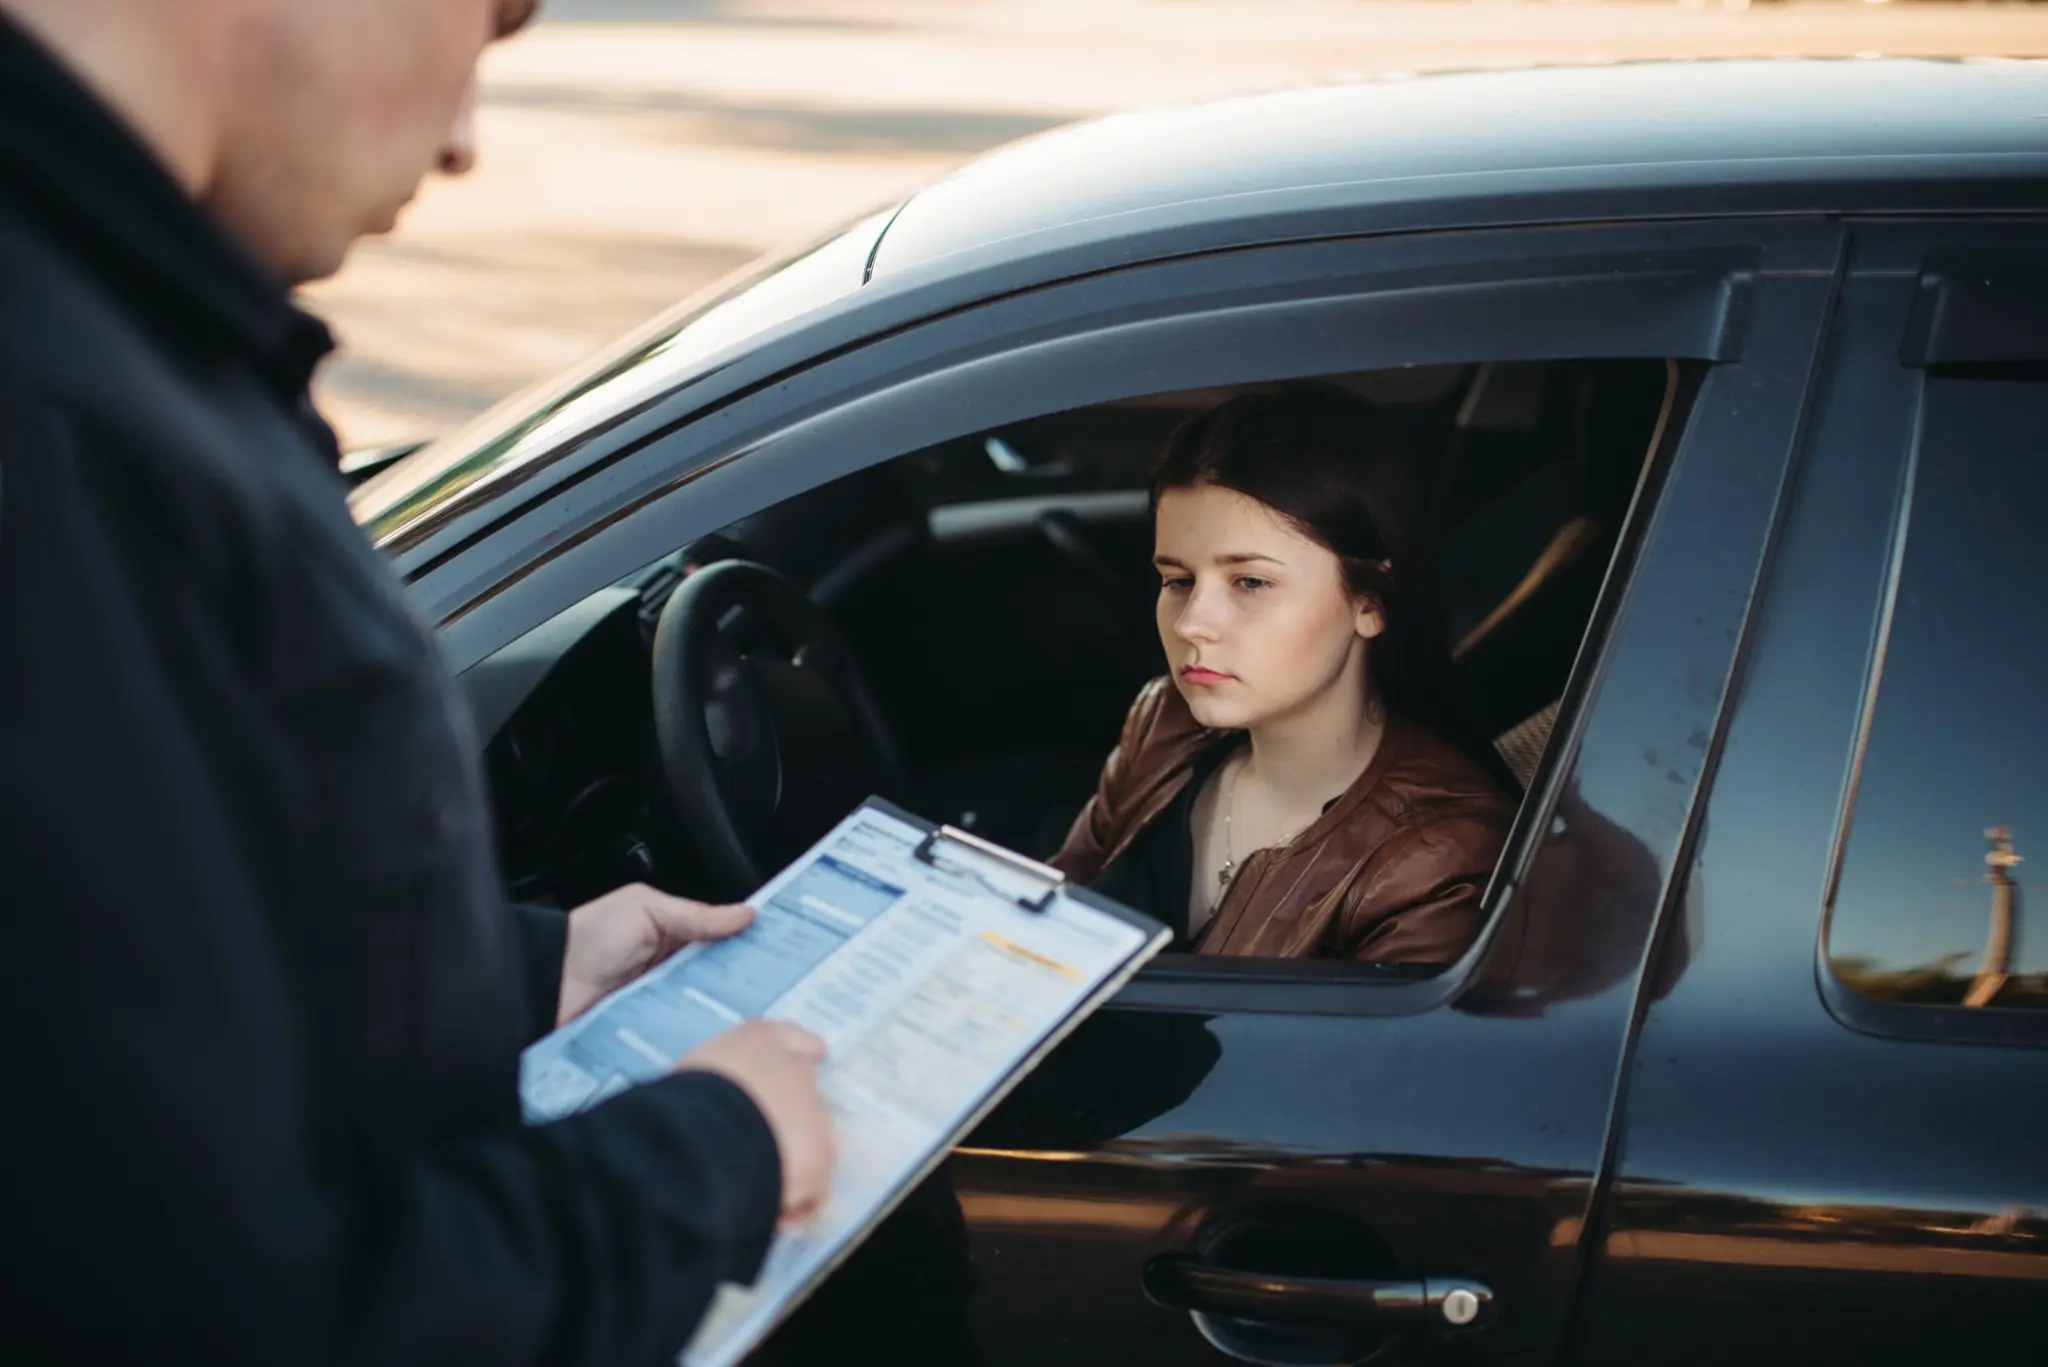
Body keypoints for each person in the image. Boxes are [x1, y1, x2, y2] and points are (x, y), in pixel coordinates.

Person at [0, 2, 834, 1364]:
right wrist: (712, 1154)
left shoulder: (118, 339)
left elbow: (189, 959)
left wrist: (530, 967)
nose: (461, 141)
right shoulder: (56, 425)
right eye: (491, 20)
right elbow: (224, 1303)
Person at [1052, 382, 1515, 962]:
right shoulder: (1164, 722)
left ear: (1370, 603)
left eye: (1251, 582)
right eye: (1178, 580)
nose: (1192, 624)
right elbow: (1044, 923)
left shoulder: (1437, 859)